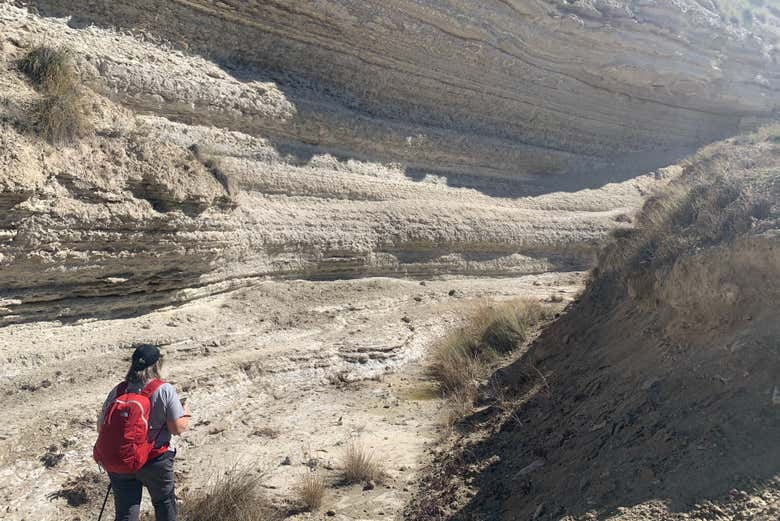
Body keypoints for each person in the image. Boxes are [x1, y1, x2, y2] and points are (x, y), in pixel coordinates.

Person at [96, 344, 190, 521]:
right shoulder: (164, 389)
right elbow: (177, 429)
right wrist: (186, 412)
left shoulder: (118, 390)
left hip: (122, 460)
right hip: (156, 459)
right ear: (157, 365)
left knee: (126, 513)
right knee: (164, 504)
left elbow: (102, 427)